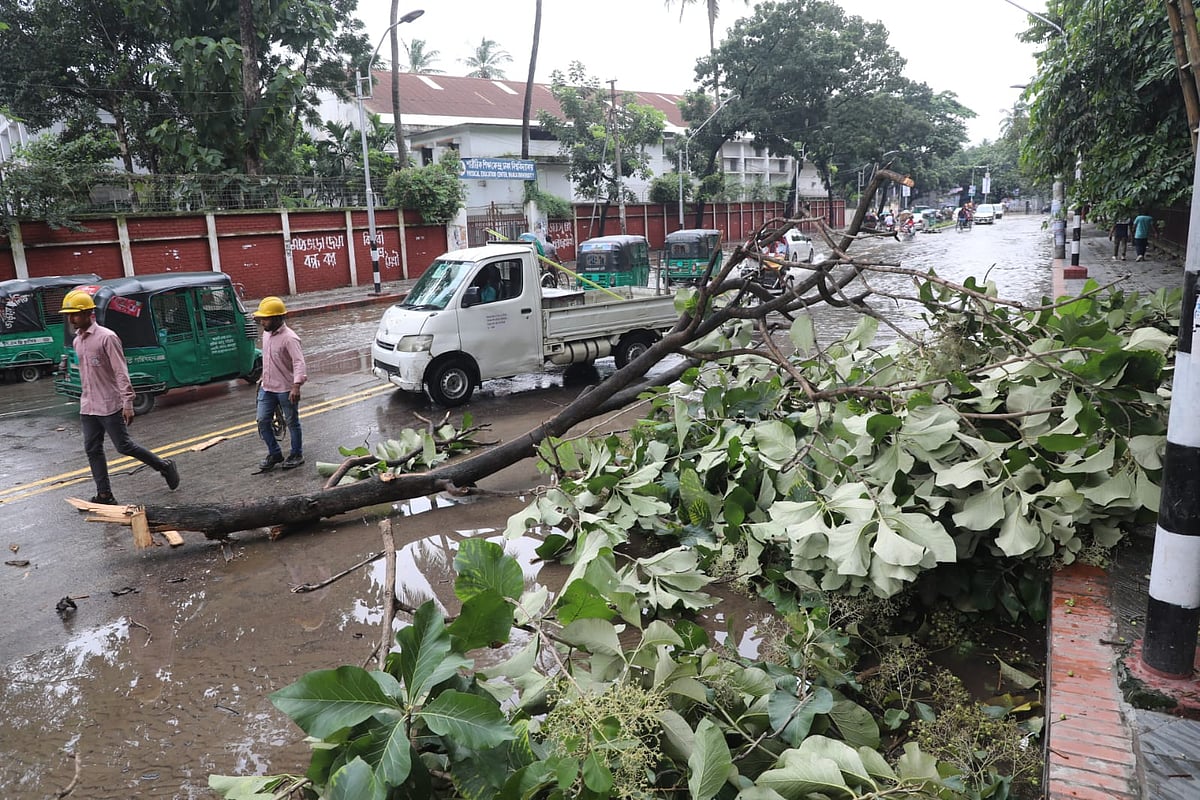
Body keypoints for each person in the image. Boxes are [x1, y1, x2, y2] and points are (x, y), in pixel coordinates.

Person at [58, 289, 179, 504]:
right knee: (92, 449)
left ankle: (164, 466)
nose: (70, 319)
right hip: (88, 405)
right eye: (68, 315)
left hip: (109, 404)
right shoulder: (78, 341)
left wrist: (128, 402)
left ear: (88, 313)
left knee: (124, 446)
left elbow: (120, 371)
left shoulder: (107, 338)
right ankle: (105, 494)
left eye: (74, 314)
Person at [252, 296, 307, 471]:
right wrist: (262, 377)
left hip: (286, 390)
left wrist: (296, 386)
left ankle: (296, 454)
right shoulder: (267, 334)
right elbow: (268, 359)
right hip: (267, 388)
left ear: (277, 318)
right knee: (262, 421)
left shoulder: (290, 338)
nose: (262, 322)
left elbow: (299, 362)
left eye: (265, 318)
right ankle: (275, 453)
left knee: (292, 422)